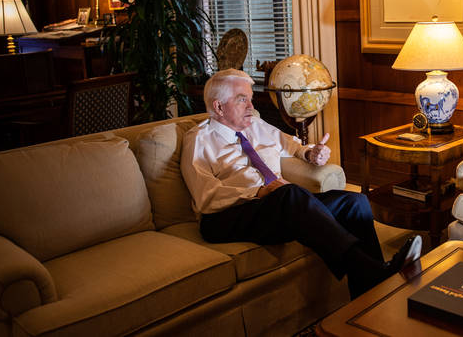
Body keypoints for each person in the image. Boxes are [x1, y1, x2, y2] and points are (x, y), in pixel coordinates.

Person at [180, 68, 422, 298]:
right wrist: (260, 191)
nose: (251, 107)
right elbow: (206, 196)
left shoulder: (256, 124)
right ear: (218, 106)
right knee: (290, 194)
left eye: (251, 99)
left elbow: (291, 144)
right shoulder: (198, 140)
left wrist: (310, 154)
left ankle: (369, 295)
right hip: (227, 216)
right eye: (242, 99)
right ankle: (374, 271)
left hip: (276, 204)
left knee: (355, 201)